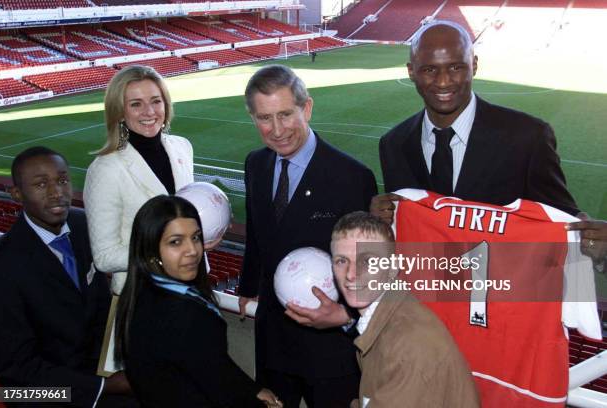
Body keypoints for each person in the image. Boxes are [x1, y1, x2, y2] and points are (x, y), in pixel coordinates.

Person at [372, 19, 607, 272]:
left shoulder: (527, 137)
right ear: (411, 71)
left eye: (455, 67)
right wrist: (378, 224)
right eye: (429, 69)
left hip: (502, 298)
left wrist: (594, 238)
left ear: (474, 65)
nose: (443, 82)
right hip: (426, 299)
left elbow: (560, 219)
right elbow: (402, 231)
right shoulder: (393, 144)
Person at [238, 65, 378, 408]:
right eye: (264, 118)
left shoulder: (352, 177)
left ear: (307, 108)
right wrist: (246, 286)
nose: (277, 130)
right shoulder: (255, 164)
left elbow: (370, 266)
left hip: (331, 352)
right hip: (274, 342)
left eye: (286, 114)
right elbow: (257, 233)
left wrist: (345, 316)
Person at [0, 147, 133, 407]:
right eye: (41, 184)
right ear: (16, 194)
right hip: (34, 392)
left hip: (98, 369)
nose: (57, 192)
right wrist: (103, 387)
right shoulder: (2, 264)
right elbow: (16, 367)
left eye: (62, 180)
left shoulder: (86, 226)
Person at [114, 195, 281, 408]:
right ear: (151, 249)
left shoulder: (141, 291)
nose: (192, 250)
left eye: (195, 237)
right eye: (176, 242)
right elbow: (217, 388)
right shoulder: (187, 315)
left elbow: (211, 364)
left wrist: (253, 390)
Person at [330, 211, 480, 408]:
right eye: (342, 261)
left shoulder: (409, 345)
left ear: (392, 269)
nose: (351, 274)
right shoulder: (384, 316)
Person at [84, 65, 195, 295]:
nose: (149, 111)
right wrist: (171, 248)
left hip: (191, 288)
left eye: (156, 101)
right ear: (120, 112)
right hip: (142, 296)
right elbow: (104, 256)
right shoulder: (105, 169)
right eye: (136, 104)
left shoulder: (182, 148)